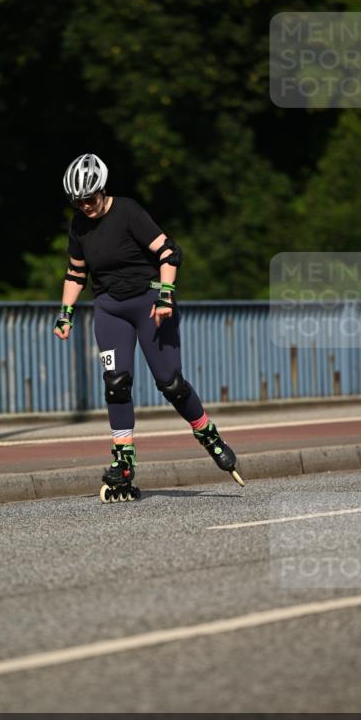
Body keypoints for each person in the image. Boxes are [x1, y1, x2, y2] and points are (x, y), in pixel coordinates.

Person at [54, 152, 244, 502]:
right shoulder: (78, 225)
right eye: (78, 201)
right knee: (116, 383)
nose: (85, 206)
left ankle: (209, 435)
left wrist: (166, 296)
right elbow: (75, 273)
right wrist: (65, 314)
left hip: (149, 304)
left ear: (102, 189)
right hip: (110, 308)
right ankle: (123, 463)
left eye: (90, 198)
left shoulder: (127, 211)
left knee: (169, 382)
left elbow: (169, 252)